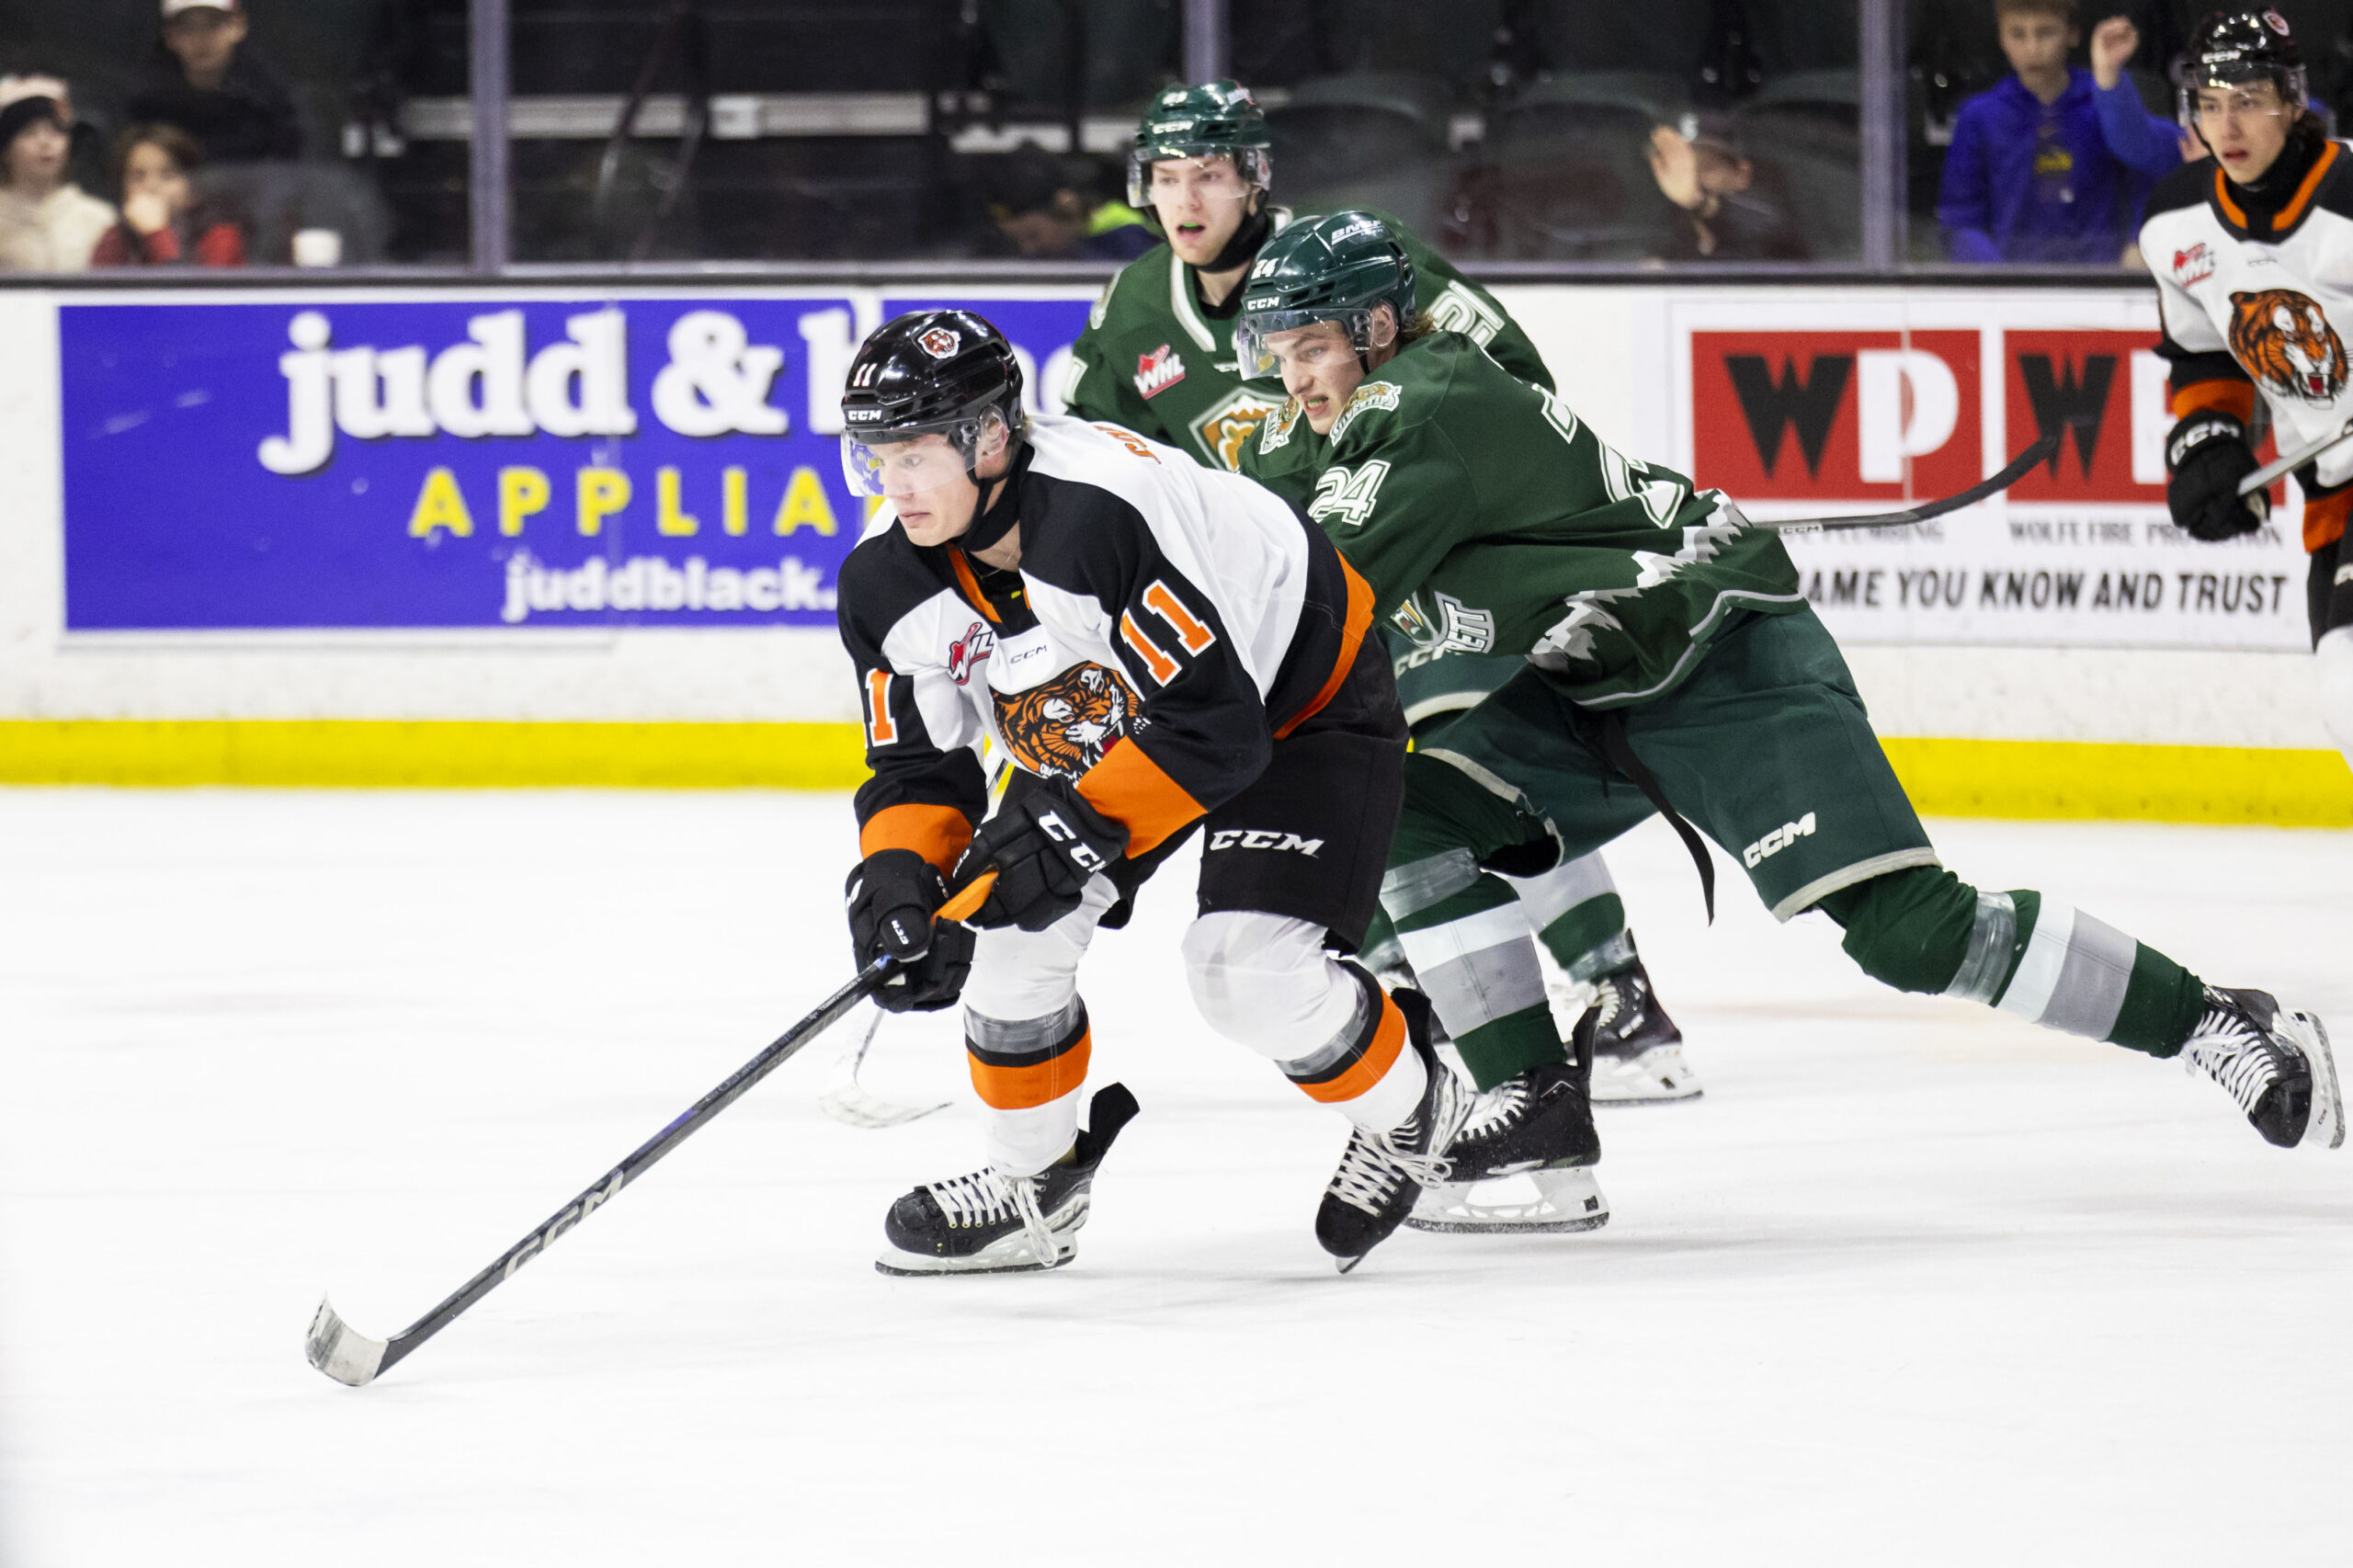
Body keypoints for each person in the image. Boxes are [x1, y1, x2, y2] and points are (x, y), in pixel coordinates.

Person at [1234, 209, 2343, 1175]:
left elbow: (1306, 596)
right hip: (1587, 682)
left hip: (1717, 656)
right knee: (1400, 811)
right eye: (1279, 355)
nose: (1296, 380)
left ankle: (2216, 1021)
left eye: (1313, 350)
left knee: (1910, 933)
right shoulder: (1358, 412)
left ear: (1379, 330)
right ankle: (1534, 1106)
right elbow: (1257, 518)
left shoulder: (1416, 406)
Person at [834, 310, 1599, 1276]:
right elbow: (916, 765)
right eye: (873, 456)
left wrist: (1065, 834)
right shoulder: (880, 578)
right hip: (1120, 712)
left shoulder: (1096, 513)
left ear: (990, 437)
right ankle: (1034, 1188)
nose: (892, 483)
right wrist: (899, 877)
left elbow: (1213, 729)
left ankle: (1414, 1104)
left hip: (1294, 692)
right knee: (1008, 938)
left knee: (1242, 973)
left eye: (913, 452)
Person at [1065, 78, 1703, 1119]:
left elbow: (1506, 386)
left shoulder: (1350, 262)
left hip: (1413, 562)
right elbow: (1102, 455)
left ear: (1255, 180)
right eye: (1168, 177)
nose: (1187, 202)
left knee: (1459, 764)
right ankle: (1426, 1001)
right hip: (1287, 596)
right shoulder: (1137, 302)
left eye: (1212, 176)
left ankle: (1618, 987)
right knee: (1340, 793)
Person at [2141, 9, 2353, 779]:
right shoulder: (2175, 223)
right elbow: (2204, 358)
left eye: (2249, 98)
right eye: (2210, 101)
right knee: (2342, 689)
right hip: (2335, 491)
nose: (2226, 124)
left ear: (2293, 101)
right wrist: (2208, 445)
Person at [1935, 0, 2184, 264]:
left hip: (2100, 281)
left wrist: (2139, 242)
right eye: (2017, 34)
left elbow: (2148, 178)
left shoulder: (2107, 101)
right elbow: (1960, 218)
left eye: (2045, 32)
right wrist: (1999, 279)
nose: (2032, 48)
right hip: (2012, 283)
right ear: (2001, 38)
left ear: (2072, 34)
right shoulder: (1978, 116)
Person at [128, 0, 301, 166]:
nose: (201, 39)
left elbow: (299, 174)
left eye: (213, 24)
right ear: (170, 36)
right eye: (188, 28)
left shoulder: (274, 102)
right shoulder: (146, 108)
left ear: (238, 26)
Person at [1645, 110, 1808, 262]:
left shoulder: (1768, 222)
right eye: (1680, 169)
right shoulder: (1659, 223)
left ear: (1742, 173)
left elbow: (1758, 234)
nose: (1691, 180)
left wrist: (1698, 203)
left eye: (1706, 168)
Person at [92, 124, 244, 267]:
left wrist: (156, 234)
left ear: (193, 189)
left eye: (168, 175)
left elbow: (185, 293)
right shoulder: (117, 237)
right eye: (138, 177)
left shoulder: (220, 237)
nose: (151, 187)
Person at [0, 94, 116, 273]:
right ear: (6, 150)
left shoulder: (98, 218)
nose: (45, 143)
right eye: (29, 133)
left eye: (56, 132)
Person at [984, 142, 1154, 261]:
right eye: (1017, 241)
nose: (1028, 249)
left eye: (1033, 235)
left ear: (1065, 207)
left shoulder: (1129, 241)